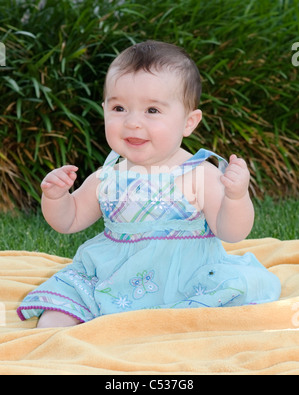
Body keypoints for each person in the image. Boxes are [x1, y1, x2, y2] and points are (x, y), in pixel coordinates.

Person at [17, 40, 281, 328]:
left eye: (152, 111)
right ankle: (57, 355)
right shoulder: (107, 177)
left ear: (188, 122)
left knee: (218, 313)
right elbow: (69, 221)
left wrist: (235, 197)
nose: (132, 122)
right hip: (111, 281)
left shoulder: (199, 174)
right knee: (56, 315)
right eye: (119, 108)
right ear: (104, 109)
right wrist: (57, 199)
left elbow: (232, 232)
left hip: (186, 281)